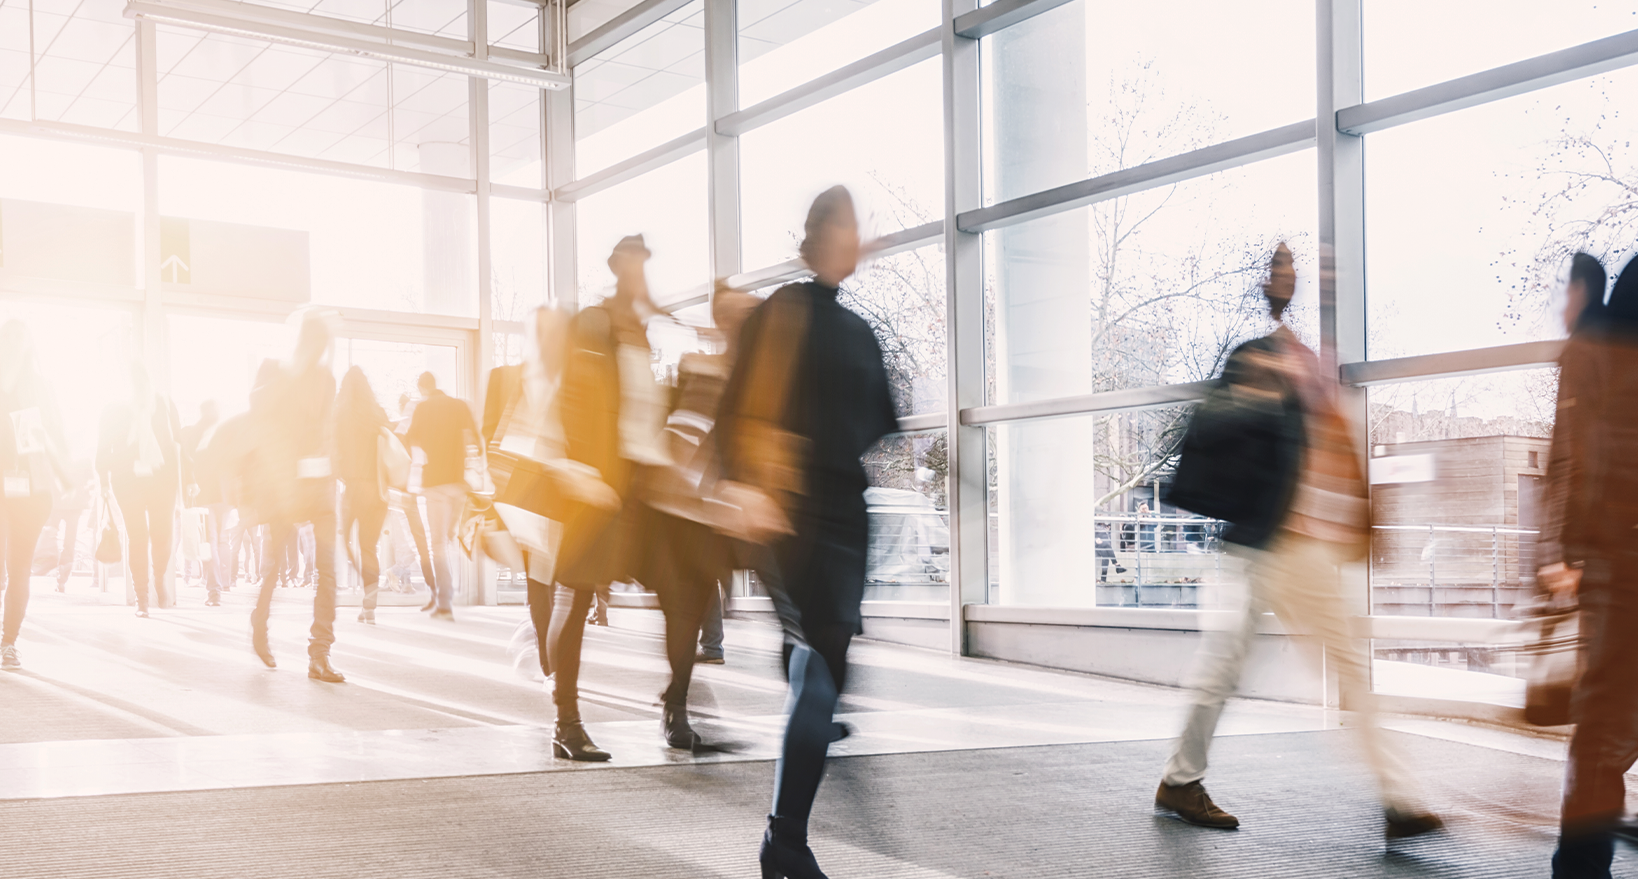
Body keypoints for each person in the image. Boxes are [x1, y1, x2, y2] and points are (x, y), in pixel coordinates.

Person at [1155, 243, 1442, 839]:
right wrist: (1258, 398)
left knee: (1231, 663)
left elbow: (1334, 460)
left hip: (1293, 546)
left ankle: (1181, 780)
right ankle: (1396, 798)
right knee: (1327, 665)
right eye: (1280, 269)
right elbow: (1211, 431)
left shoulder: (1312, 364)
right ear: (1268, 285)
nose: (1290, 278)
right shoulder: (1260, 359)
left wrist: (1360, 525)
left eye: (1296, 269)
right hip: (1277, 542)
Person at [717, 186, 899, 879]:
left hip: (843, 513)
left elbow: (877, 421)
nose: (858, 239)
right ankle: (784, 841)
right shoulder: (784, 311)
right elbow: (737, 409)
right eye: (847, 227)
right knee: (818, 665)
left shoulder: (856, 328)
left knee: (828, 662)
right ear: (821, 235)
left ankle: (785, 837)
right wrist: (749, 486)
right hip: (790, 511)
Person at [546, 234, 670, 762]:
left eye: (645, 265)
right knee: (575, 599)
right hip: (596, 484)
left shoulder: (639, 330)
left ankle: (678, 705)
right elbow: (572, 396)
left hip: (638, 481)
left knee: (677, 587)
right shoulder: (594, 323)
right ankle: (566, 723)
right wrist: (581, 470)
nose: (641, 275)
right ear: (618, 268)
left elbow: (643, 409)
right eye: (634, 265)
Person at [1536, 252, 1638, 879]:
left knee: (1605, 723)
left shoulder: (1594, 348)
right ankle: (1581, 861)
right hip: (1616, 558)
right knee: (1606, 725)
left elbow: (1574, 459)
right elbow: (1578, 459)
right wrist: (1566, 552)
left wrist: (1566, 552)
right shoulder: (1597, 350)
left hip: (1613, 557)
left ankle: (1580, 862)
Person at [646, 284, 759, 748]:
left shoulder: (755, 377)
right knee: (684, 611)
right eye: (736, 316)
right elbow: (679, 440)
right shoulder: (706, 371)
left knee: (692, 609)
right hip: (684, 515)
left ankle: (676, 699)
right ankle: (675, 707)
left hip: (719, 516)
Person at [244, 310, 345, 683]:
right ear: (301, 342)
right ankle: (259, 624)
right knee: (274, 567)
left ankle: (320, 653)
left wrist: (331, 464)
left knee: (327, 570)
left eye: (323, 346)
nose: (318, 352)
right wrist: (290, 375)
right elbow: (256, 411)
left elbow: (327, 426)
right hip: (283, 487)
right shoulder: (274, 370)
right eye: (312, 344)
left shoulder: (326, 378)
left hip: (320, 486)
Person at [0, 320, 66, 670]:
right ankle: (8, 643)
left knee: (19, 568)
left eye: (17, 338)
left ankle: (8, 642)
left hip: (30, 489)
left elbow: (56, 437)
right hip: (15, 486)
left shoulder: (41, 388)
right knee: (14, 569)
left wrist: (65, 478)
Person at [97, 362, 184, 618]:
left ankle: (159, 577)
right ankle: (142, 597)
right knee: (137, 537)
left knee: (161, 535)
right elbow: (103, 446)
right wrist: (103, 481)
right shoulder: (114, 409)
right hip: (127, 480)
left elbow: (179, 441)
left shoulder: (163, 403)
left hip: (162, 479)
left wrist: (187, 480)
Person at [405, 372, 478, 621]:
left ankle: (445, 602)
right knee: (450, 538)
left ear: (422, 388)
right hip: (459, 483)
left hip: (435, 484)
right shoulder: (460, 406)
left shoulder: (422, 408)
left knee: (438, 544)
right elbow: (475, 439)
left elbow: (410, 440)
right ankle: (450, 592)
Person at [335, 367, 390, 624]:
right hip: (378, 492)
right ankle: (369, 605)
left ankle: (366, 593)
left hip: (354, 489)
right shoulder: (378, 414)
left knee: (344, 542)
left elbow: (333, 453)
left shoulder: (339, 414)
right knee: (368, 548)